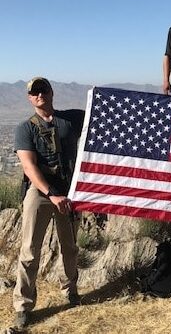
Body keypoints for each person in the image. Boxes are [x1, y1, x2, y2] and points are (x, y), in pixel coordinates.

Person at [13, 77, 84, 330]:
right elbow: (29, 167)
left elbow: (101, 112)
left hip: (69, 192)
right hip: (41, 193)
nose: (39, 95)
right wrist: (51, 193)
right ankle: (23, 306)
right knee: (30, 251)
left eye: (43, 89)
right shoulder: (25, 128)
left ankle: (71, 291)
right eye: (34, 92)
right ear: (29, 98)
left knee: (70, 246)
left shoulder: (71, 119)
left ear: (51, 91)